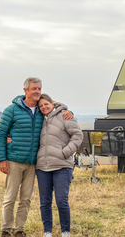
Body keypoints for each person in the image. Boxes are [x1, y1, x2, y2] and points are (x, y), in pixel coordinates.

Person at [0, 77, 73, 237]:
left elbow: (55, 107)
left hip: (32, 163)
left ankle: (19, 230)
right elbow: (0, 133)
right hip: (14, 160)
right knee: (10, 197)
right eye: (34, 89)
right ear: (25, 91)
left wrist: (67, 111)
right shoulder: (12, 110)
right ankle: (6, 230)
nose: (37, 91)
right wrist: (1, 159)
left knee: (26, 198)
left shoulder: (41, 110)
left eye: (39, 88)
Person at [34, 93, 83, 237]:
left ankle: (65, 232)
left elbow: (78, 135)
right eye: (41, 106)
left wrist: (66, 152)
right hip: (43, 167)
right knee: (45, 202)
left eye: (46, 104)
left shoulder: (64, 116)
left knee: (61, 200)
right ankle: (47, 232)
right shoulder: (38, 120)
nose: (43, 107)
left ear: (52, 103)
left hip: (62, 165)